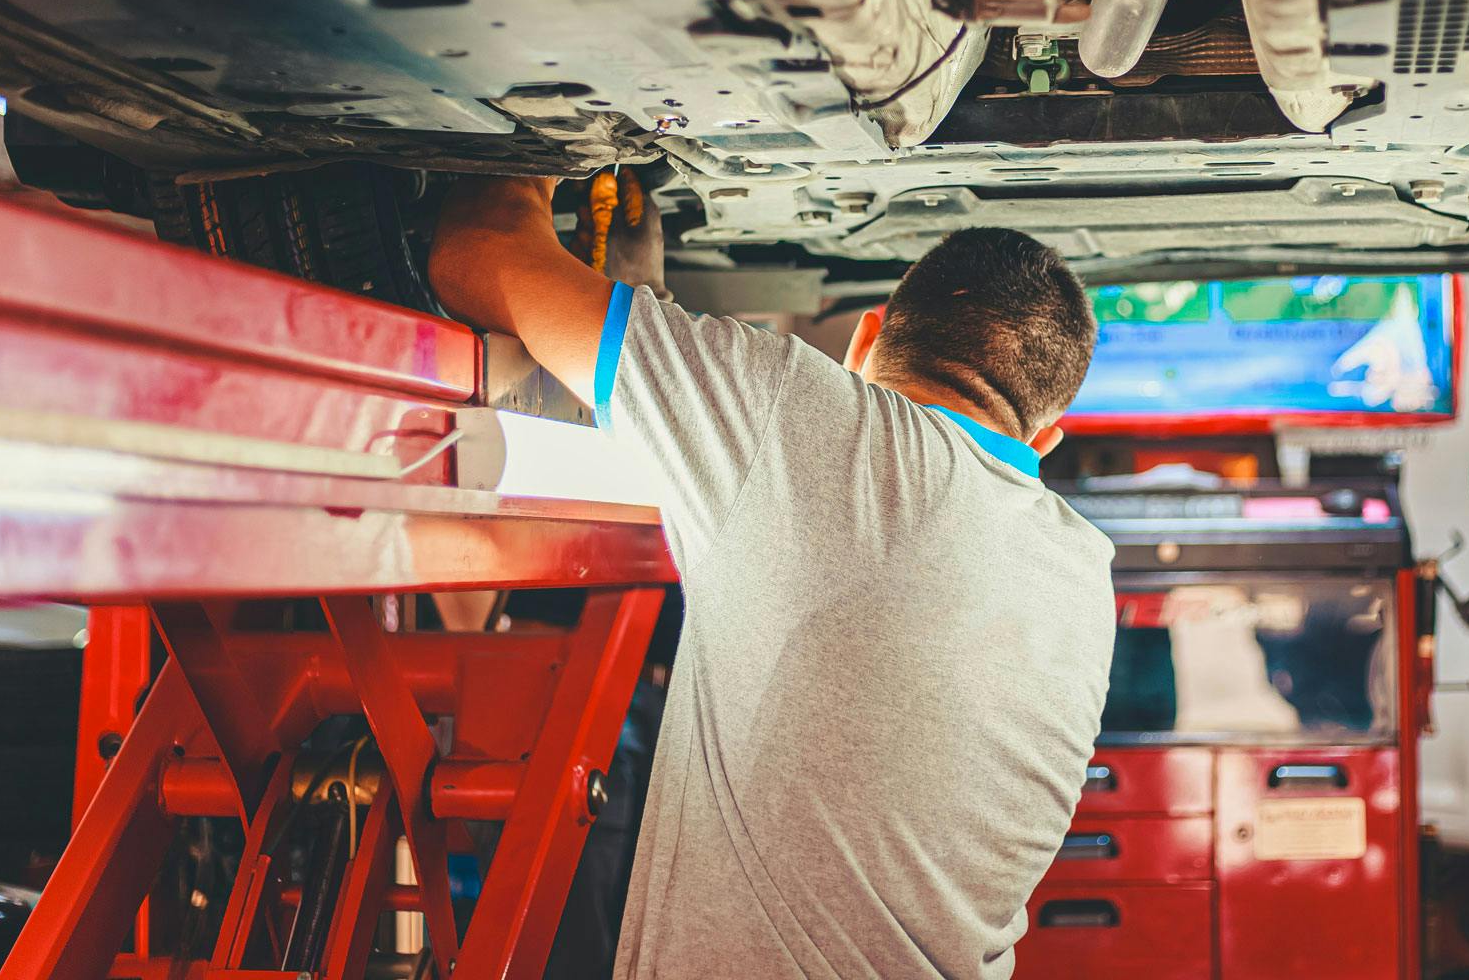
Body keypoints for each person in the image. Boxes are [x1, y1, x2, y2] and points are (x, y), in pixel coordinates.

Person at [428, 175, 1116, 980]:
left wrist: (534, 155)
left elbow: (476, 255)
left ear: (865, 341)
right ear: (1047, 438)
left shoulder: (804, 418)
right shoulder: (1080, 572)